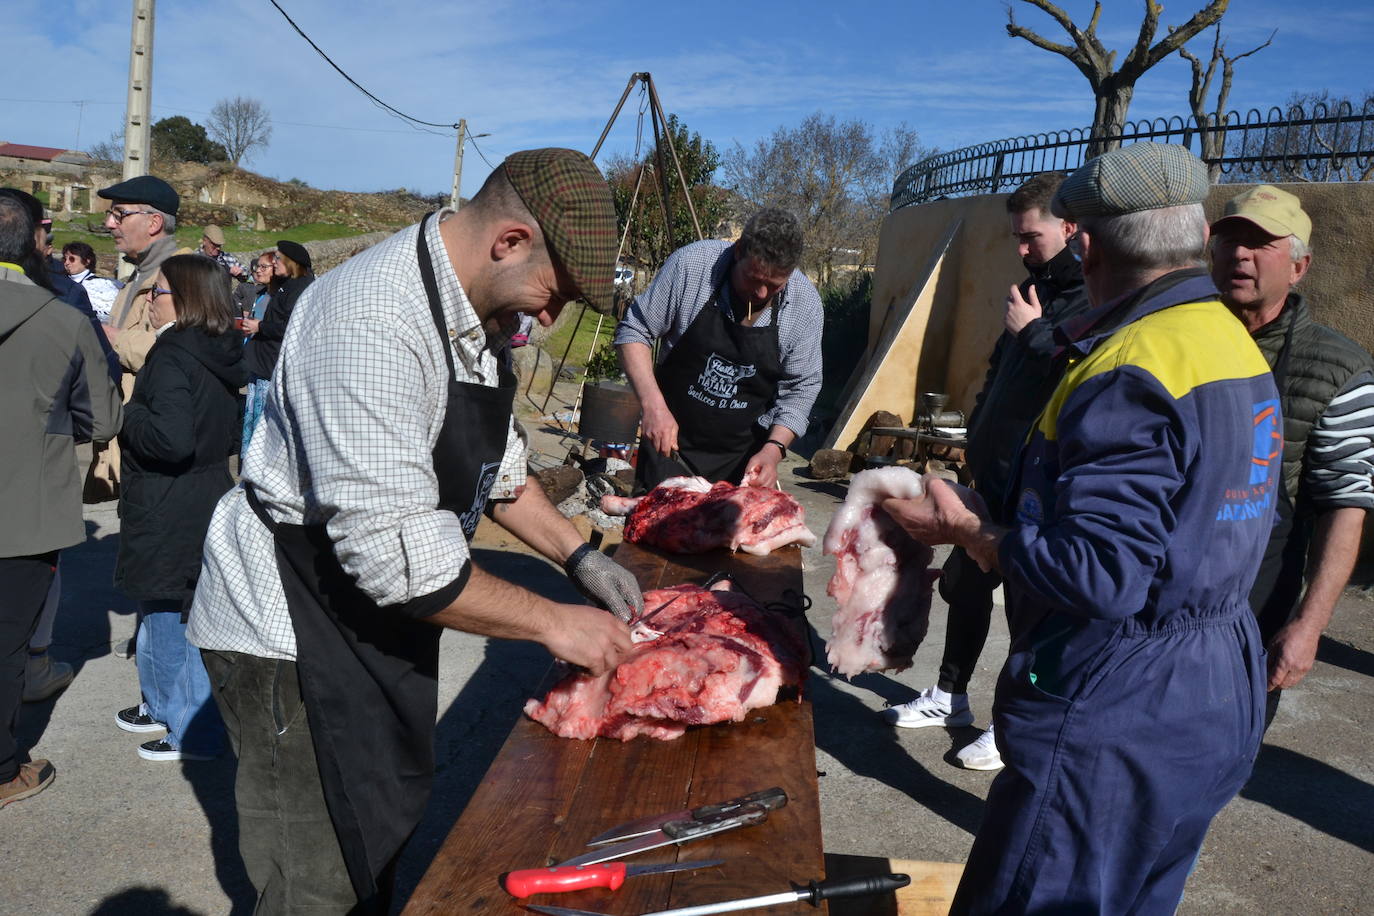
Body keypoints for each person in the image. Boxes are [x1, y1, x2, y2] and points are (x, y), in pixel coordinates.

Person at [189, 148, 642, 912]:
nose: (548, 316)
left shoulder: (472, 317)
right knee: (316, 881)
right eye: (553, 292)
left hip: (367, 615)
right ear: (509, 241)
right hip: (290, 627)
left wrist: (579, 557)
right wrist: (556, 623)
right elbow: (402, 563)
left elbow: (495, 471)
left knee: (375, 837)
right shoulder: (373, 320)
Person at [883, 144, 1280, 913]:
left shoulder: (1129, 367)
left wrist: (972, 533)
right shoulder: (1229, 340)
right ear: (1195, 236)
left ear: (1087, 243)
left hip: (1118, 702)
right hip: (1213, 688)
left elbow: (1099, 573)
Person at [882, 173, 1091, 773]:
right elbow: (1004, 372)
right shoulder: (1031, 291)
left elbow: (1077, 376)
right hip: (995, 470)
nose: (1022, 249)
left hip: (1041, 483)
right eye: (1016, 238)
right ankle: (951, 696)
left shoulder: (1089, 299)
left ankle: (1013, 722)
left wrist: (1033, 335)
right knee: (964, 586)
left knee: (1031, 607)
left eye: (1031, 237)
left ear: (1070, 228)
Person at [1209, 185, 1374, 726]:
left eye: (1260, 244)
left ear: (1299, 266)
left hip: (1255, 607)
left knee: (1219, 749)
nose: (1239, 254)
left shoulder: (1337, 368)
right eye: (1229, 239)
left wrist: (1309, 626)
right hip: (1153, 596)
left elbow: (1345, 504)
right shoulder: (1175, 339)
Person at [0, 194, 122, 807]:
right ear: (33, 245)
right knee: (6, 644)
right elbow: (101, 420)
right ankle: (2, 771)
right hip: (22, 510)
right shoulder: (64, 318)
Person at [114, 255, 247, 761]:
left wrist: (126, 416)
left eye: (159, 291)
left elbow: (171, 440)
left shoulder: (173, 355)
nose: (149, 299)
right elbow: (229, 431)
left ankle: (187, 725)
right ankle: (160, 703)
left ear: (187, 299)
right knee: (161, 605)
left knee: (173, 611)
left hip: (171, 500)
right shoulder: (215, 348)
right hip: (200, 491)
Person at [614, 208, 823, 490]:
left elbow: (802, 387)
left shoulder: (804, 306)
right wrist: (652, 405)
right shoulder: (691, 266)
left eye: (773, 285)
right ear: (738, 251)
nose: (760, 293)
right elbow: (634, 330)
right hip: (669, 440)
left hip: (745, 458)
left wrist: (774, 450)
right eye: (753, 278)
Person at [92, 175, 192, 502]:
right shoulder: (138, 275)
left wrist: (105, 335)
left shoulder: (183, 276)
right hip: (129, 436)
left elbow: (175, 351)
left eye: (120, 214)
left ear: (154, 222)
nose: (109, 223)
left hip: (151, 445)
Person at [62, 241, 122, 322]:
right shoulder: (62, 280)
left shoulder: (98, 285)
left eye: (72, 259)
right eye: (65, 259)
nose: (66, 263)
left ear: (87, 261)